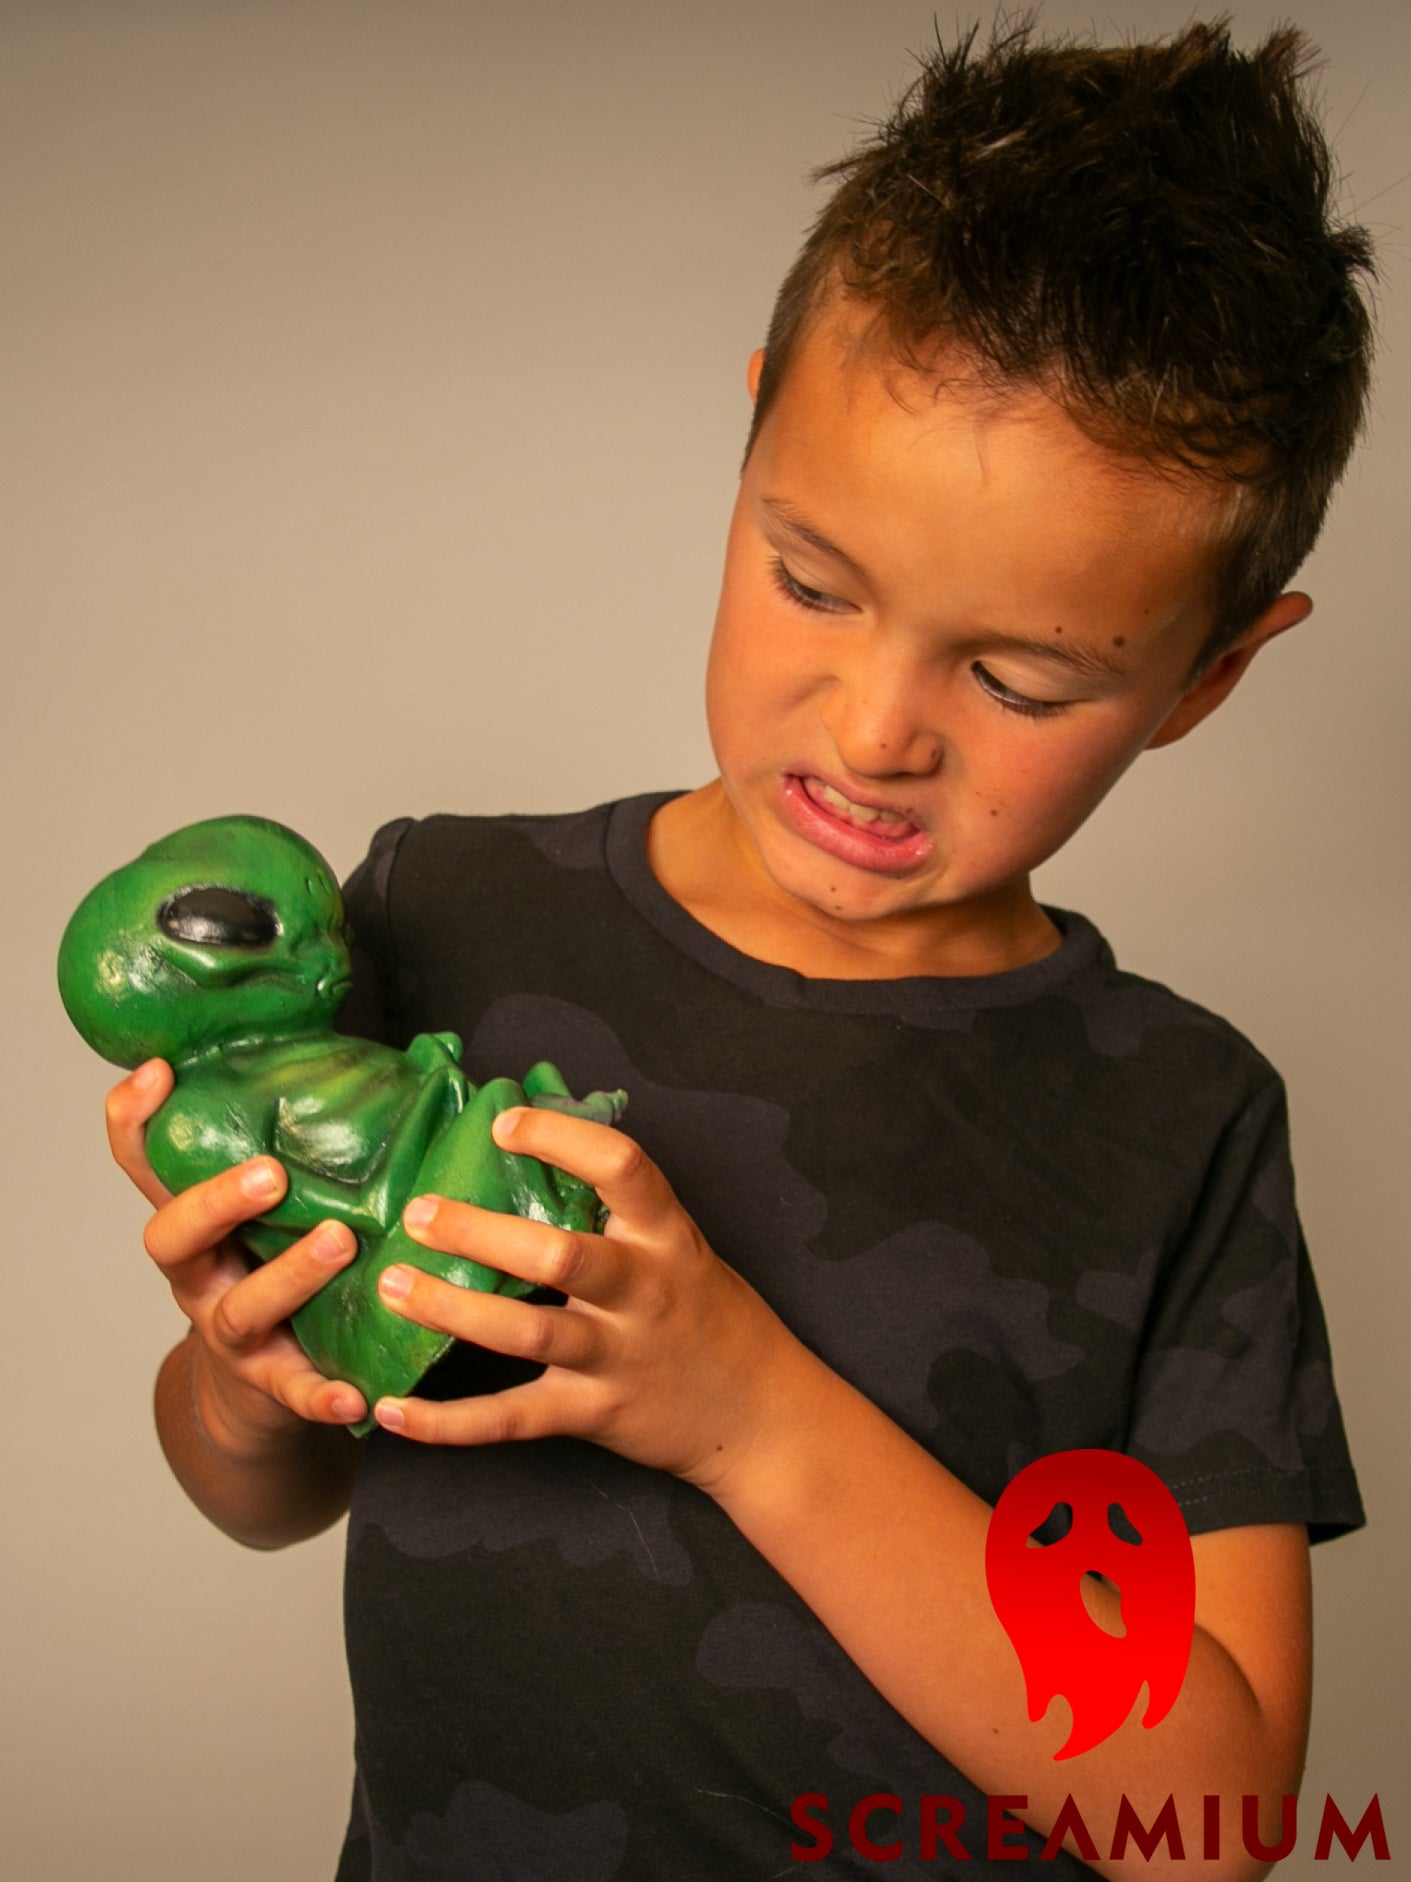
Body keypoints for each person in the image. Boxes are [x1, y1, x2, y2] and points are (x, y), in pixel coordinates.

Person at [103, 20, 1371, 1880]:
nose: (874, 730)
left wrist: (745, 1409)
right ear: (758, 417)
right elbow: (267, 1492)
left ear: (1213, 671)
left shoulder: (1180, 1117)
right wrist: (236, 1372)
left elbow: (1216, 1816)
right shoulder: (442, 914)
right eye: (809, 579)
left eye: (1018, 677)